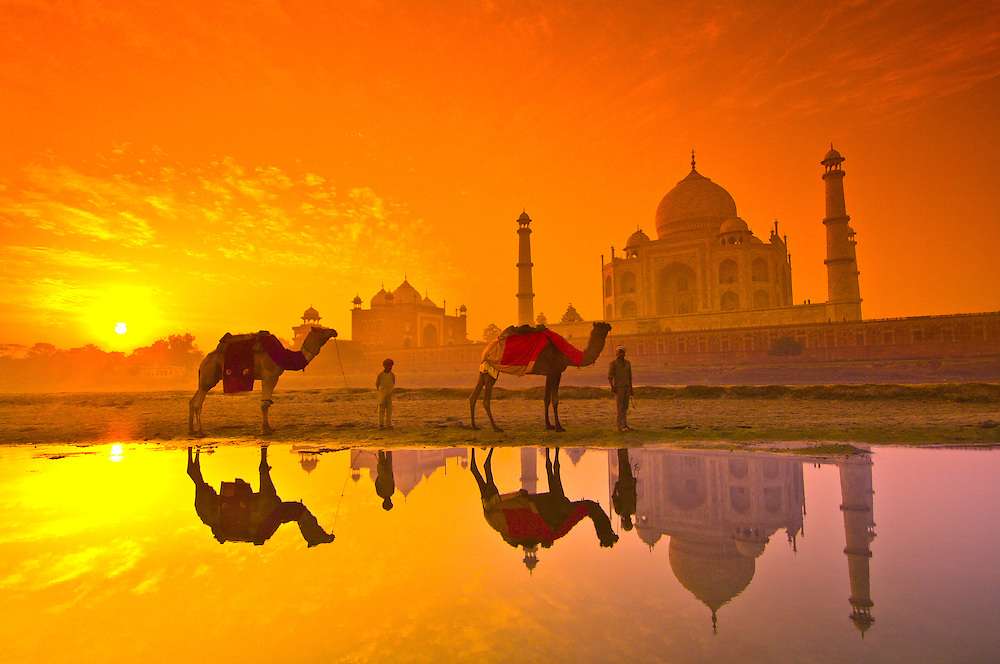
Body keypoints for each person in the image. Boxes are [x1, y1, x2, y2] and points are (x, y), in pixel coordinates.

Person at [607, 345, 633, 431]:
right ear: (616, 353)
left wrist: (631, 389)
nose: (620, 354)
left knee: (625, 407)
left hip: (627, 387)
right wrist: (612, 387)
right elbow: (610, 377)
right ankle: (620, 426)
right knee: (620, 407)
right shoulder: (613, 363)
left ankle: (625, 425)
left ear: (624, 353)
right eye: (619, 352)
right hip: (619, 388)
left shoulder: (628, 363)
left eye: (622, 352)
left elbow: (630, 377)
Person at [376, 358, 396, 429]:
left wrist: (390, 391)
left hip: (389, 394)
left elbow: (393, 383)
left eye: (391, 365)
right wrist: (380, 393)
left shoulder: (392, 375)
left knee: (389, 410)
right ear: (384, 366)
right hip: (382, 394)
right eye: (388, 365)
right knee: (381, 410)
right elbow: (377, 384)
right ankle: (381, 424)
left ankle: (389, 424)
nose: (390, 367)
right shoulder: (380, 375)